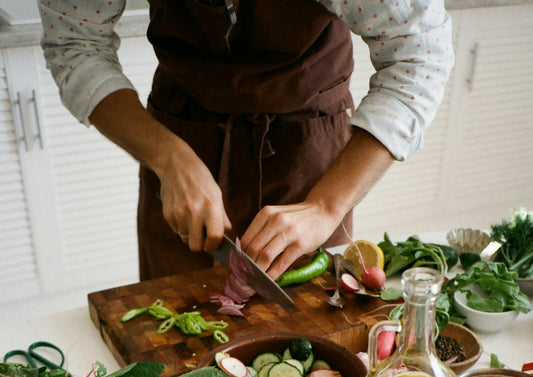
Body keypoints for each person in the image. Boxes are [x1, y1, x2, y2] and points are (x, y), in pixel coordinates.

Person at [37, 0, 453, 282]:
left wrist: (325, 206)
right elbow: (76, 45)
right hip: (182, 130)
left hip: (306, 146)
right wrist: (168, 158)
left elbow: (420, 57)